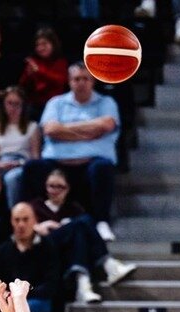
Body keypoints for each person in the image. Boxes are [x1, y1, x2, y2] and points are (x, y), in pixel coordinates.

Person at [26, 66, 120, 241]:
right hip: (57, 163)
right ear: (69, 82)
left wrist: (65, 131)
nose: (81, 83)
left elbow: (106, 125)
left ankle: (101, 222)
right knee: (32, 167)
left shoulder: (106, 102)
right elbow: (51, 129)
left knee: (103, 168)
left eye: (86, 79)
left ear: (93, 81)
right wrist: (90, 131)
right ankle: (35, 220)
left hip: (91, 162)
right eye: (77, 79)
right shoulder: (56, 102)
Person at [27, 169, 134, 304]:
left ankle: (83, 283)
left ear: (67, 189)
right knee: (84, 221)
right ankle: (108, 264)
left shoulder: (73, 208)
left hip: (68, 252)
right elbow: (21, 225)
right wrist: (38, 227)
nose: (54, 190)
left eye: (60, 186)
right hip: (43, 247)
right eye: (51, 186)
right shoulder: (36, 206)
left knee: (80, 234)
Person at [0, 87, 40, 206]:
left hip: (21, 163)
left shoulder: (32, 127)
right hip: (1, 163)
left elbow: (35, 157)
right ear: (4, 105)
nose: (13, 108)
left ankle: (14, 214)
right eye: (9, 103)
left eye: (17, 104)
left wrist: (18, 163)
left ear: (23, 106)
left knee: (12, 178)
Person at [18, 29, 67, 115]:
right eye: (37, 45)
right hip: (35, 105)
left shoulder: (61, 62)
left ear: (53, 44)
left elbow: (60, 81)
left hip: (55, 104)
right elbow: (23, 86)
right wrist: (28, 75)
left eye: (44, 44)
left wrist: (38, 71)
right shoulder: (33, 62)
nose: (40, 48)